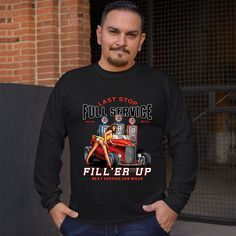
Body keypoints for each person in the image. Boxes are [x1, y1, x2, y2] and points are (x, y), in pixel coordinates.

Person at [34, 1, 197, 236]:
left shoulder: (162, 85)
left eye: (131, 34)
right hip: (83, 221)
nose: (121, 42)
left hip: (146, 221)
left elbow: (185, 144)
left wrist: (174, 204)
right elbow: (48, 144)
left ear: (141, 41)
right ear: (99, 34)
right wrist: (51, 201)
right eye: (113, 32)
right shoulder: (70, 84)